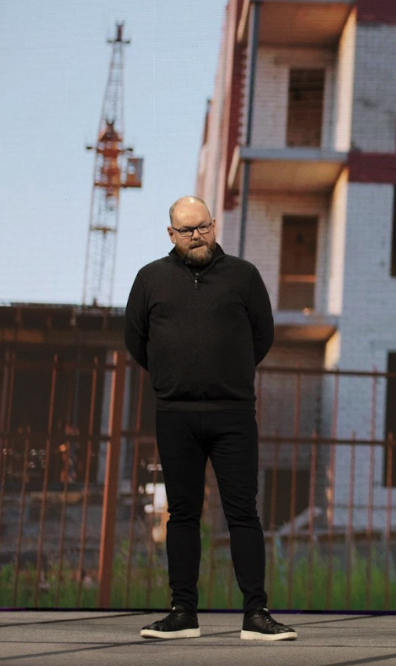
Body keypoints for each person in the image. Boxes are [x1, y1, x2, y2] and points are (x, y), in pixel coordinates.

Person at [125, 196, 297, 640]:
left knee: (243, 514)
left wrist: (227, 374)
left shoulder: (243, 275)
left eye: (202, 226)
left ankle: (256, 615)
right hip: (175, 414)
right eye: (187, 230)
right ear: (171, 235)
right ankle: (183, 613)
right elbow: (136, 340)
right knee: (182, 515)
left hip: (233, 413)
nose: (197, 235)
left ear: (214, 224)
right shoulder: (150, 279)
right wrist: (173, 377)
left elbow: (263, 334)